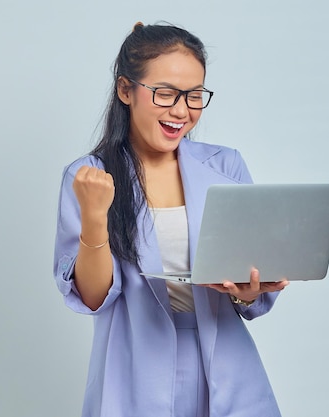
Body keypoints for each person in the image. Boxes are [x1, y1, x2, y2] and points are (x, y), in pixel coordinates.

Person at [53, 22, 289, 417]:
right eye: (166, 94)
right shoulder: (89, 176)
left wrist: (246, 291)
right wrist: (95, 218)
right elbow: (93, 298)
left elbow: (248, 287)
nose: (181, 111)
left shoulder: (225, 166)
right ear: (126, 90)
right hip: (134, 366)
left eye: (194, 96)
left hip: (225, 360)